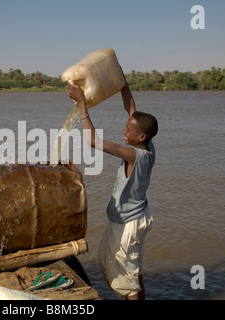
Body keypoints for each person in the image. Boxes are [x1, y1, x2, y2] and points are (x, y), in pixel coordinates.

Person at [68, 72, 158, 300]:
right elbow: (131, 107)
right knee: (132, 271)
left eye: (129, 130)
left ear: (141, 137)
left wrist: (82, 104)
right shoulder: (148, 147)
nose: (124, 131)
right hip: (135, 216)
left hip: (128, 223)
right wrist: (121, 81)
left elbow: (93, 142)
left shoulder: (132, 154)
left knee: (127, 278)